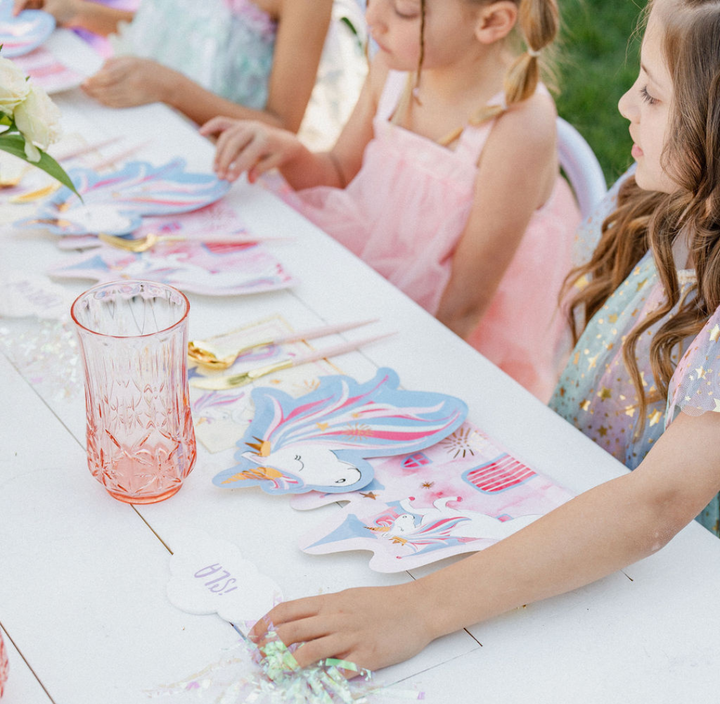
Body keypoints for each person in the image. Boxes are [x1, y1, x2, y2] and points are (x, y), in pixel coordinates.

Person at [246, 0, 720, 674]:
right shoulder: (655, 206)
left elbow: (655, 506)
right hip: (556, 522)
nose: (622, 104)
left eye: (651, 91)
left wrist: (418, 610)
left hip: (662, 606)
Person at [202, 0, 582, 402]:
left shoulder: (518, 127)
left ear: (491, 22)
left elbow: (463, 308)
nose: (372, 19)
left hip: (451, 334)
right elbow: (340, 174)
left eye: (402, 9)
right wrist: (291, 152)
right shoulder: (395, 71)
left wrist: (384, 391)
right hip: (377, 275)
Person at [13, 0, 343, 141]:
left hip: (219, 166)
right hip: (138, 129)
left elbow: (282, 128)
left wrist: (172, 90)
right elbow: (173, 28)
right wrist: (78, 12)